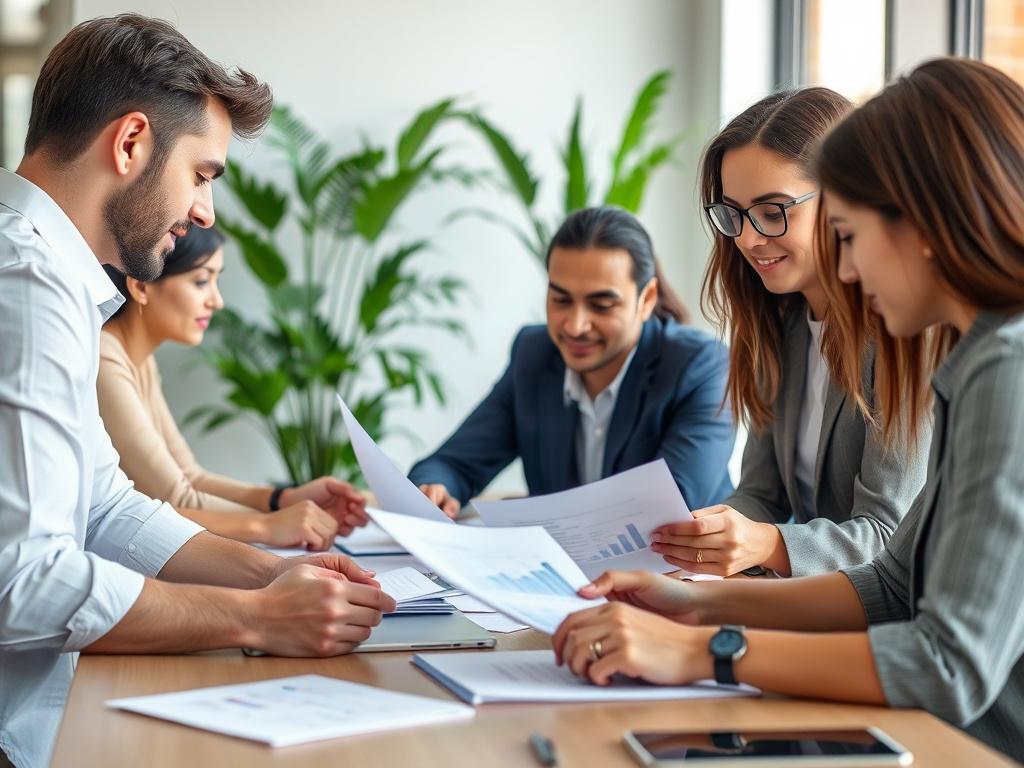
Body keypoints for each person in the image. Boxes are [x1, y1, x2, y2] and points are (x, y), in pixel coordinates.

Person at [552, 57, 1024, 762]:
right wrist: (695, 602)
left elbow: (947, 665)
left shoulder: (1003, 368)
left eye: (853, 232)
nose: (851, 266)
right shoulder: (981, 354)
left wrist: (702, 648)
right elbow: (894, 583)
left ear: (922, 224)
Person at [0, 16, 395, 768]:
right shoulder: (24, 284)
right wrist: (253, 619)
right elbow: (23, 581)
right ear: (130, 143)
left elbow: (102, 504)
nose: (205, 213)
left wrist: (272, 573)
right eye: (203, 174)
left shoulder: (49, 277)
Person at [650, 88, 926, 578]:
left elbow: (888, 534)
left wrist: (763, 544)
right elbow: (763, 494)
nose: (748, 238)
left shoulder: (904, 335)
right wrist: (706, 540)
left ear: (844, 200)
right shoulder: (777, 323)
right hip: (817, 610)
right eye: (732, 213)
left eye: (774, 210)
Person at [408, 206, 735, 517]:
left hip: (685, 574)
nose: (575, 326)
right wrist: (436, 487)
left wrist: (529, 511)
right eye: (560, 300)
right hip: (564, 573)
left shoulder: (700, 365)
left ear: (647, 299)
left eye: (602, 305)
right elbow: (451, 463)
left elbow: (666, 508)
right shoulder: (533, 354)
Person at [98, 226, 366, 551]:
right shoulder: (105, 356)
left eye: (216, 281)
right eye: (201, 281)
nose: (217, 301)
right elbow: (174, 498)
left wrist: (282, 500)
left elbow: (190, 477)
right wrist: (267, 524)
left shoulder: (138, 360)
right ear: (141, 286)